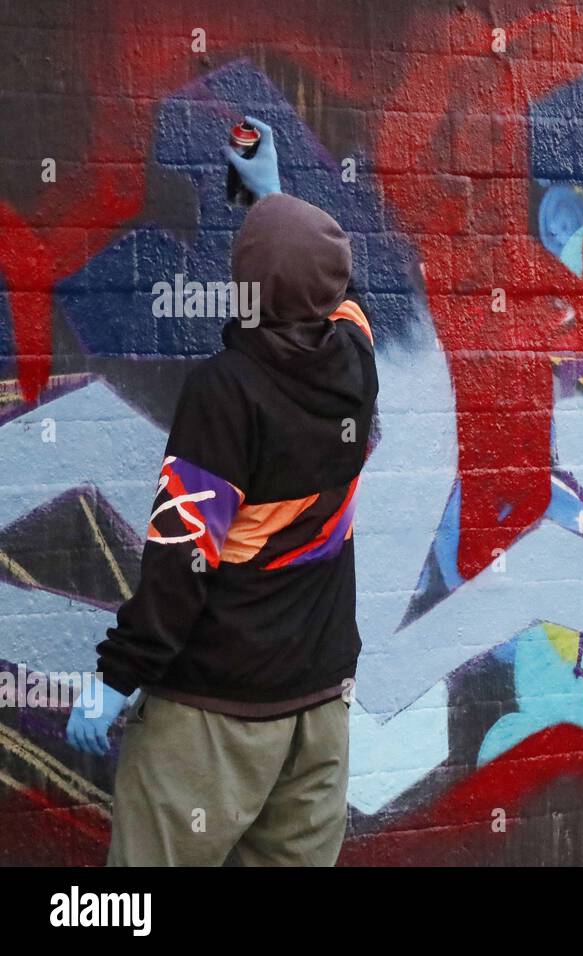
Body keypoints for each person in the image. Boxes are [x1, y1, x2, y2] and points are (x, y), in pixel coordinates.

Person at [66, 117, 379, 866]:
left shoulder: (225, 394)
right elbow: (334, 293)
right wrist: (271, 199)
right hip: (318, 715)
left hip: (213, 718)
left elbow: (182, 561)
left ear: (246, 288)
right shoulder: (358, 362)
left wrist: (118, 679)